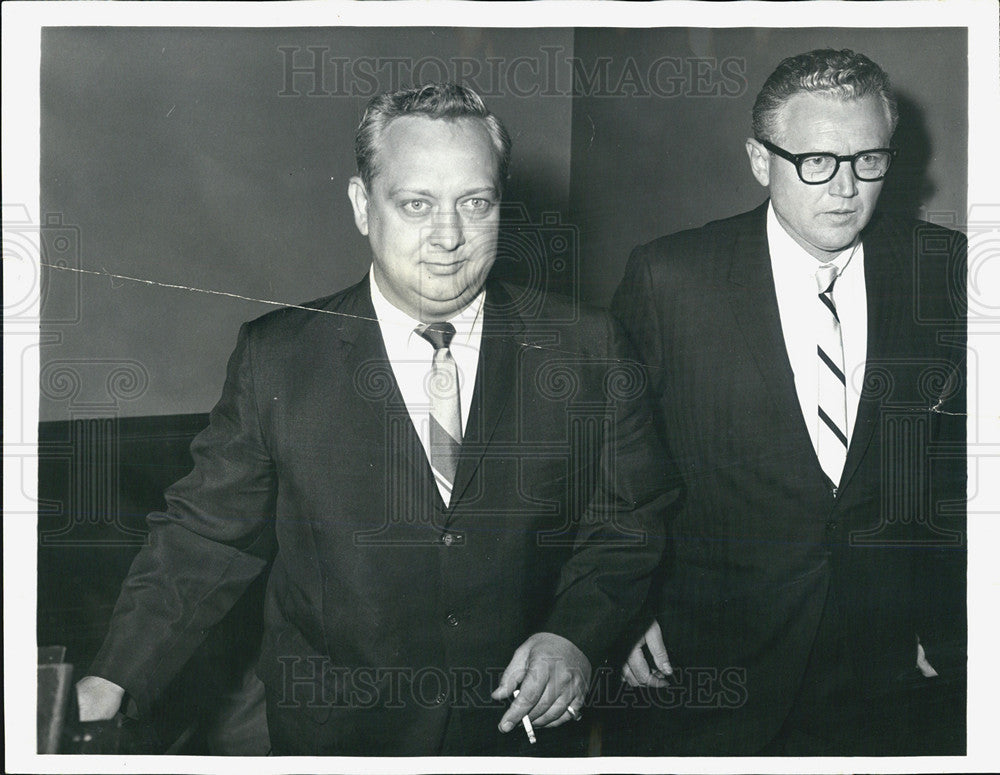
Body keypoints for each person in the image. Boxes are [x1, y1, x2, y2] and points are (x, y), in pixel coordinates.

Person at [74, 83, 676, 756]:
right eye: (416, 203)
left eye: (474, 203)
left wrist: (577, 633)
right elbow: (205, 539)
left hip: (518, 731)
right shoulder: (277, 357)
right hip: (340, 738)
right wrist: (114, 674)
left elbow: (631, 519)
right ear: (364, 206)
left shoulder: (588, 346)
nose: (448, 237)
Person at [606, 49, 966, 756]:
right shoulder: (670, 278)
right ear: (759, 159)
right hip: (713, 663)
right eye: (817, 161)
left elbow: (955, 463)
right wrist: (623, 604)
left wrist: (950, 621)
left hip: (891, 669)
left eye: (869, 160)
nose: (846, 188)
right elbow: (609, 463)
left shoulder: (942, 268)